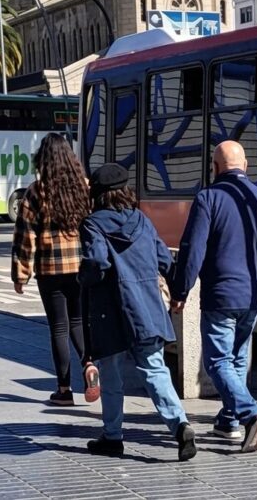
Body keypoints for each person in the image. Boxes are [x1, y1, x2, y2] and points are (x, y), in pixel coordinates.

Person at [169, 141, 257, 453]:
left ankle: (250, 416)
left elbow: (193, 249)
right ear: (246, 166)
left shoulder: (208, 198)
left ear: (215, 167)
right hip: (252, 295)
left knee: (218, 361)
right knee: (236, 358)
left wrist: (180, 291)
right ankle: (228, 421)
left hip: (220, 294)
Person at [79, 163, 197, 462]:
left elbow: (97, 261)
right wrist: (178, 292)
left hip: (109, 311)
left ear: (97, 193)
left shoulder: (93, 223)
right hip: (144, 308)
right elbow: (163, 259)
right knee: (155, 369)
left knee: (112, 375)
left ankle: (113, 435)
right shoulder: (142, 220)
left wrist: (84, 277)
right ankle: (180, 425)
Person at [11, 133, 99, 406]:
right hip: (82, 267)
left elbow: (26, 236)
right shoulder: (85, 188)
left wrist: (20, 274)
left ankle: (63, 390)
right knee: (79, 322)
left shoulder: (36, 192)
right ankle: (89, 364)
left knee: (58, 328)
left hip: (50, 269)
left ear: (43, 160)